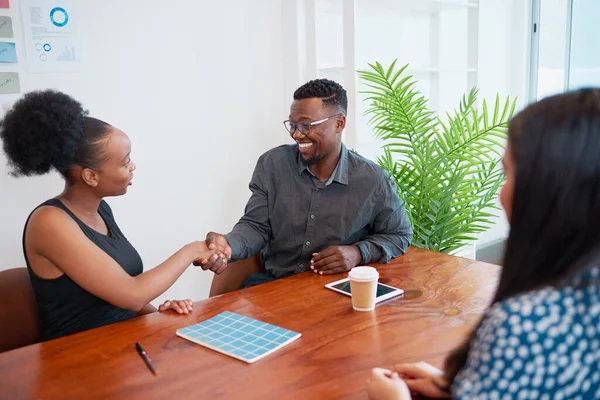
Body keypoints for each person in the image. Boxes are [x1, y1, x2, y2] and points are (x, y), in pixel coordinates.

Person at [366, 89, 600, 399]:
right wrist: (463, 387)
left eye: (508, 172)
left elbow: (399, 235)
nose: (501, 192)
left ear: (546, 187)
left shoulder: (522, 328)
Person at [0, 90, 218, 341]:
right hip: (78, 358)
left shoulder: (101, 210)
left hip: (122, 344)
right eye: (125, 162)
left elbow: (118, 295)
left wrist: (155, 313)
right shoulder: (49, 222)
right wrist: (192, 250)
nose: (133, 167)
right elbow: (132, 293)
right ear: (91, 176)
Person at [199, 79, 412, 287]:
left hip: (331, 295)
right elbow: (256, 225)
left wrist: (358, 253)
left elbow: (399, 234)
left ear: (340, 123)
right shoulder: (272, 165)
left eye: (306, 125)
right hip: (272, 286)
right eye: (292, 125)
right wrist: (228, 244)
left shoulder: (373, 180)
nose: (296, 134)